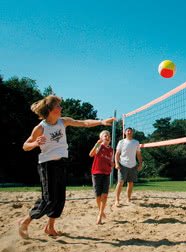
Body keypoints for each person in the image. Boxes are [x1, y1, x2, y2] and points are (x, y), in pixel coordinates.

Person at [19, 95, 115, 239]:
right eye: (58, 106)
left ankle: (50, 228)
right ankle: (25, 221)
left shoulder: (63, 122)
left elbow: (84, 123)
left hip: (61, 163)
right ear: (51, 109)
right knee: (49, 199)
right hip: (47, 165)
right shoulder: (40, 128)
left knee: (60, 199)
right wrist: (35, 143)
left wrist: (101, 121)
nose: (61, 108)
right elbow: (25, 146)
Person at [89, 130, 114, 224]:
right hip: (96, 172)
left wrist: (112, 164)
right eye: (105, 135)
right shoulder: (99, 146)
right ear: (101, 138)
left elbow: (111, 162)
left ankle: (99, 215)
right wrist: (97, 144)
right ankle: (101, 210)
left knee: (105, 195)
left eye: (109, 135)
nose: (107, 137)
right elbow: (91, 154)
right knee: (98, 196)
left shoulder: (111, 150)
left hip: (106, 173)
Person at [114, 127, 143, 206]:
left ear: (132, 132)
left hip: (133, 165)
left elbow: (139, 154)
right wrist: (116, 163)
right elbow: (117, 154)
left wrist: (140, 164)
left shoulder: (136, 142)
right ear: (125, 133)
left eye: (130, 131)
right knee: (120, 182)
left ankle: (128, 199)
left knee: (130, 183)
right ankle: (117, 200)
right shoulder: (121, 142)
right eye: (127, 131)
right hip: (123, 164)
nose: (129, 132)